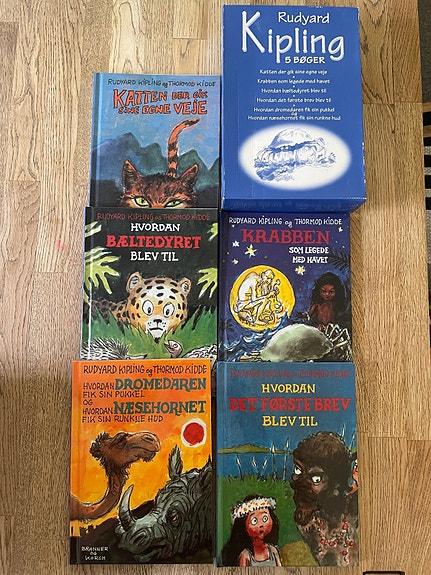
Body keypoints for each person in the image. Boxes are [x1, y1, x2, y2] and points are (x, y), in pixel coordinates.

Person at [220, 494, 282, 566]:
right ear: (243, 525)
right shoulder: (246, 555)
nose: (261, 524)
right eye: (254, 521)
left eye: (265, 518)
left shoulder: (273, 551)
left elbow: (280, 569)